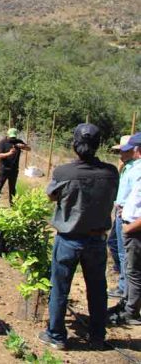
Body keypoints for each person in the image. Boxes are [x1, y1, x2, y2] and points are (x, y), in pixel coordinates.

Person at [38, 123, 118, 351]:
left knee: (60, 288)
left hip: (69, 239)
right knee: (97, 289)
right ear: (98, 145)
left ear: (74, 144)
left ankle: (56, 335)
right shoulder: (111, 173)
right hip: (97, 240)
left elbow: (51, 196)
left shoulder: (64, 172)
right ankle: (97, 336)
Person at [110, 132, 141, 326]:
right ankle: (126, 303)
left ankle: (131, 312)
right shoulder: (132, 167)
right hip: (128, 220)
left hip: (134, 226)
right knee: (130, 267)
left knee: (134, 270)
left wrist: (130, 227)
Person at [107, 135, 134, 299]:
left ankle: (124, 287)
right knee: (113, 243)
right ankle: (122, 277)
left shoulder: (136, 168)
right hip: (120, 211)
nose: (120, 155)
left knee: (124, 251)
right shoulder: (127, 167)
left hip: (126, 213)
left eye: (122, 151)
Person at [0, 128, 31, 206]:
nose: (12, 138)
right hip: (4, 168)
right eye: (11, 137)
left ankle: (12, 204)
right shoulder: (2, 143)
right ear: (7, 135)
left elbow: (29, 149)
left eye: (14, 137)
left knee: (12, 188)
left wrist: (23, 146)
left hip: (14, 169)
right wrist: (9, 154)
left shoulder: (18, 141)